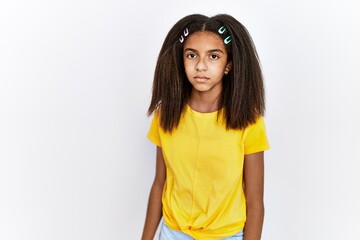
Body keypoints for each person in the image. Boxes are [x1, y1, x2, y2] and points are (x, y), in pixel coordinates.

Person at [141, 13, 270, 240]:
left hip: (226, 235)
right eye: (192, 55)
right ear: (182, 60)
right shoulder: (166, 115)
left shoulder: (248, 121)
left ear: (228, 64)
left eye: (213, 56)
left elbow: (255, 201)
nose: (201, 66)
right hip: (173, 233)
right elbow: (159, 184)